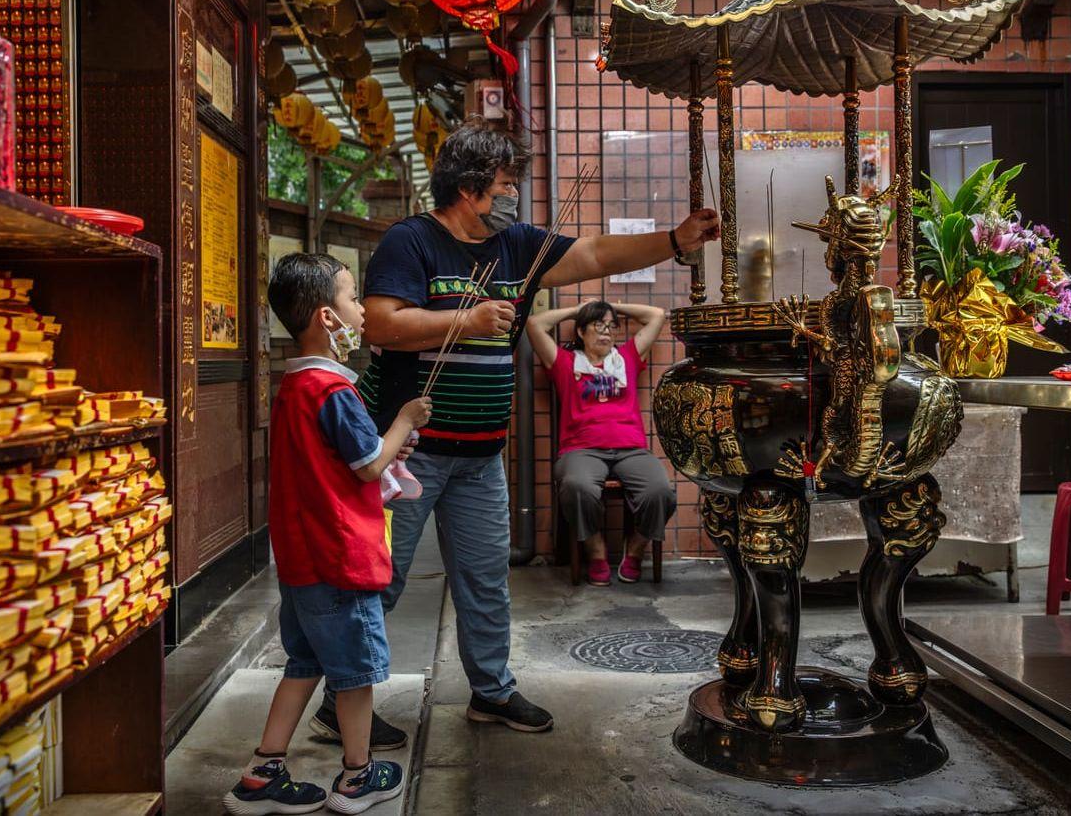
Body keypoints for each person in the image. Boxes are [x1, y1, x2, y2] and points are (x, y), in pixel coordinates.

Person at [299, 116, 717, 740]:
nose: (513, 195)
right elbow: (381, 325)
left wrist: (676, 241)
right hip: (408, 453)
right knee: (379, 579)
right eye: (504, 184)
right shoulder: (410, 243)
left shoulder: (518, 245)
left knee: (486, 581)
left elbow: (598, 253)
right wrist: (465, 322)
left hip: (482, 455)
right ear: (469, 189)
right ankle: (342, 704)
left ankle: (491, 692)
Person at [225, 253, 432, 816]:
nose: (363, 309)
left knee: (303, 664)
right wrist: (403, 423)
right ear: (327, 317)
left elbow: (343, 462)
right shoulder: (334, 391)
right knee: (355, 674)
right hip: (339, 558)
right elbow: (367, 466)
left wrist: (386, 447)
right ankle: (358, 776)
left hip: (301, 560)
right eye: (352, 299)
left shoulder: (294, 386)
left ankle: (263, 772)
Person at [526, 300, 676, 585]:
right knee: (577, 487)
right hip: (581, 450)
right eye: (598, 325)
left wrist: (613, 306)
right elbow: (535, 325)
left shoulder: (628, 358)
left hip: (630, 448)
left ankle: (635, 550)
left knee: (660, 491)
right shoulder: (565, 363)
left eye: (611, 326)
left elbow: (657, 314)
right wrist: (579, 310)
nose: (606, 332)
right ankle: (596, 552)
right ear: (581, 332)